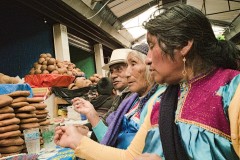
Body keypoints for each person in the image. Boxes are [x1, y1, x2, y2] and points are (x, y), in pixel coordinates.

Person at [54, 4, 240, 160]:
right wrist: (77, 142)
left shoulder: (232, 91)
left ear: (184, 45)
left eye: (152, 46)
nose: (149, 59)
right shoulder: (161, 102)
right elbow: (130, 157)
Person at [72, 43, 166, 148]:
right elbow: (111, 138)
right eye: (111, 71)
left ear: (150, 65)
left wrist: (82, 143)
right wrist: (91, 113)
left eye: (133, 64)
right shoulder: (132, 100)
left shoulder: (158, 103)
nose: (127, 73)